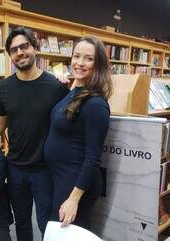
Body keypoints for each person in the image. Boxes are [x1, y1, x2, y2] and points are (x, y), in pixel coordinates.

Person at [0, 26, 68, 241]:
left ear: (35, 48)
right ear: (10, 55)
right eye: (14, 50)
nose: (19, 52)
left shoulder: (56, 86)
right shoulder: (4, 88)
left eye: (24, 46)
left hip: (45, 170)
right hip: (14, 169)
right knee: (21, 223)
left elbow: (69, 123)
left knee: (46, 223)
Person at [44, 36, 113, 230]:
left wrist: (74, 198)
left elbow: (93, 157)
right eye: (76, 56)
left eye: (88, 58)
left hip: (75, 182)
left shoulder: (96, 104)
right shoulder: (76, 91)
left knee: (66, 233)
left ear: (98, 64)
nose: (80, 63)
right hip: (61, 176)